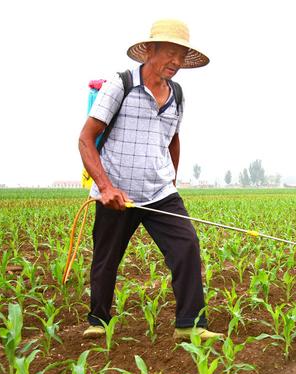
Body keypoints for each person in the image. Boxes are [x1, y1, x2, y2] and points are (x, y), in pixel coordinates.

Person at [78, 19, 221, 340]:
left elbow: (172, 139)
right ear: (150, 50)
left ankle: (190, 324)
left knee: (186, 247)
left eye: (182, 56)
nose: (176, 62)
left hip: (159, 193)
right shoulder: (121, 85)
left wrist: (171, 180)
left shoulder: (177, 94)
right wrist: (105, 187)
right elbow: (86, 139)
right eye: (171, 53)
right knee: (106, 258)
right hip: (116, 192)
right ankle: (98, 322)